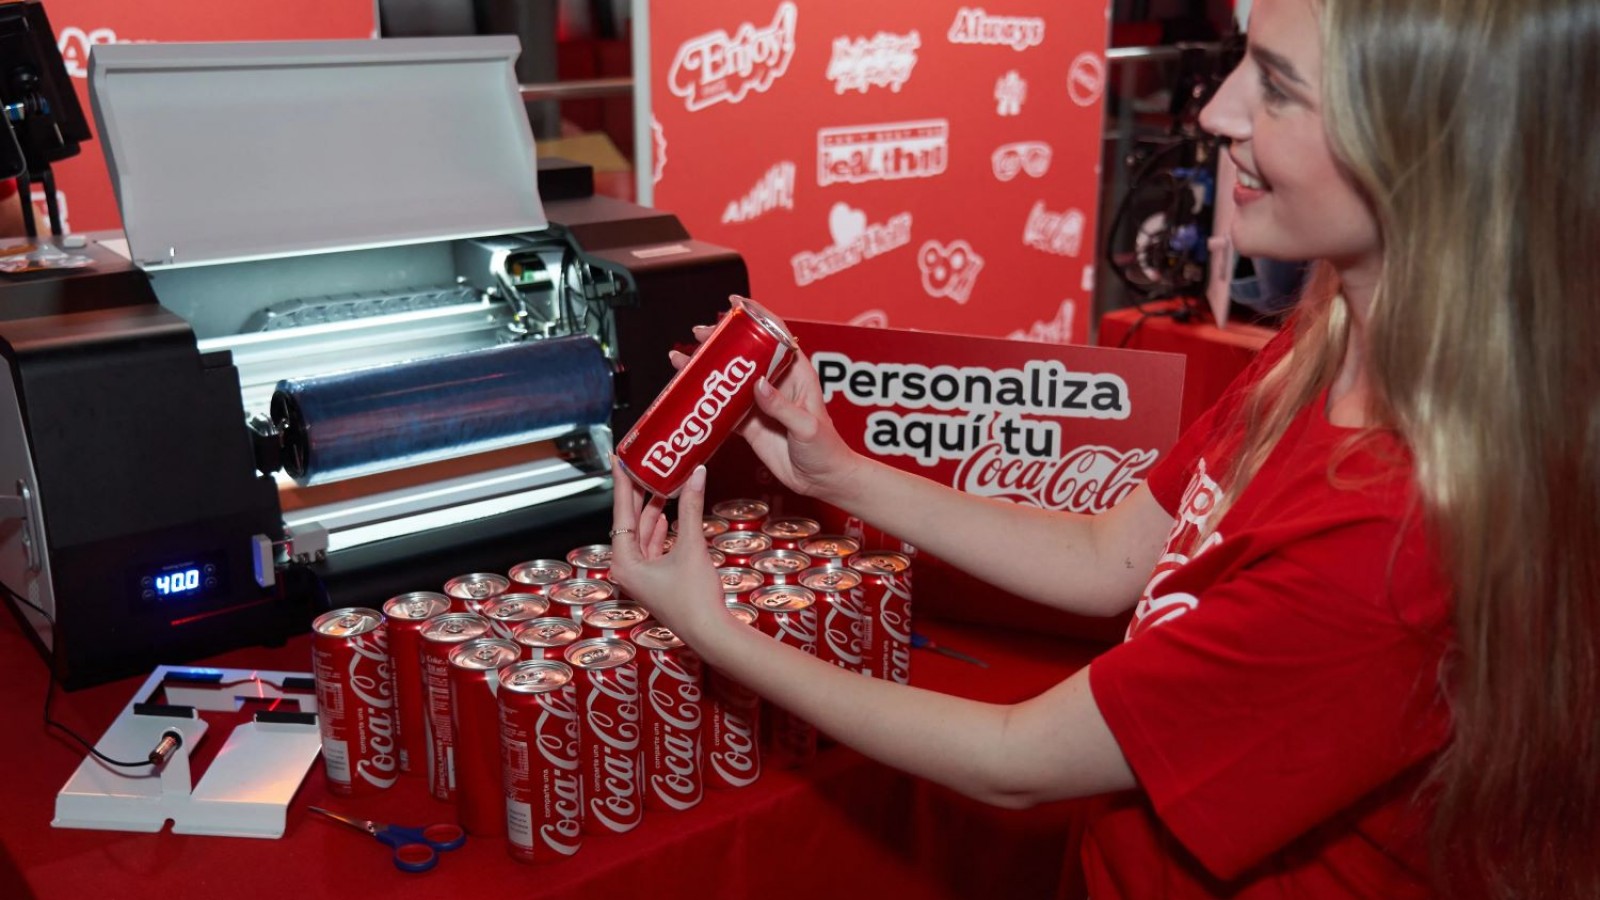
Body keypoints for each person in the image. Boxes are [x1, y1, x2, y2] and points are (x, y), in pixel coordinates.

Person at [608, 0, 1599, 895]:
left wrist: (717, 633)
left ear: (1436, 151)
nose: (1217, 114)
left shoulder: (1392, 539)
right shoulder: (1329, 335)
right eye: (1242, 64)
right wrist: (842, 471)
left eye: (1281, 92)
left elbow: (1014, 758)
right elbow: (1111, 556)